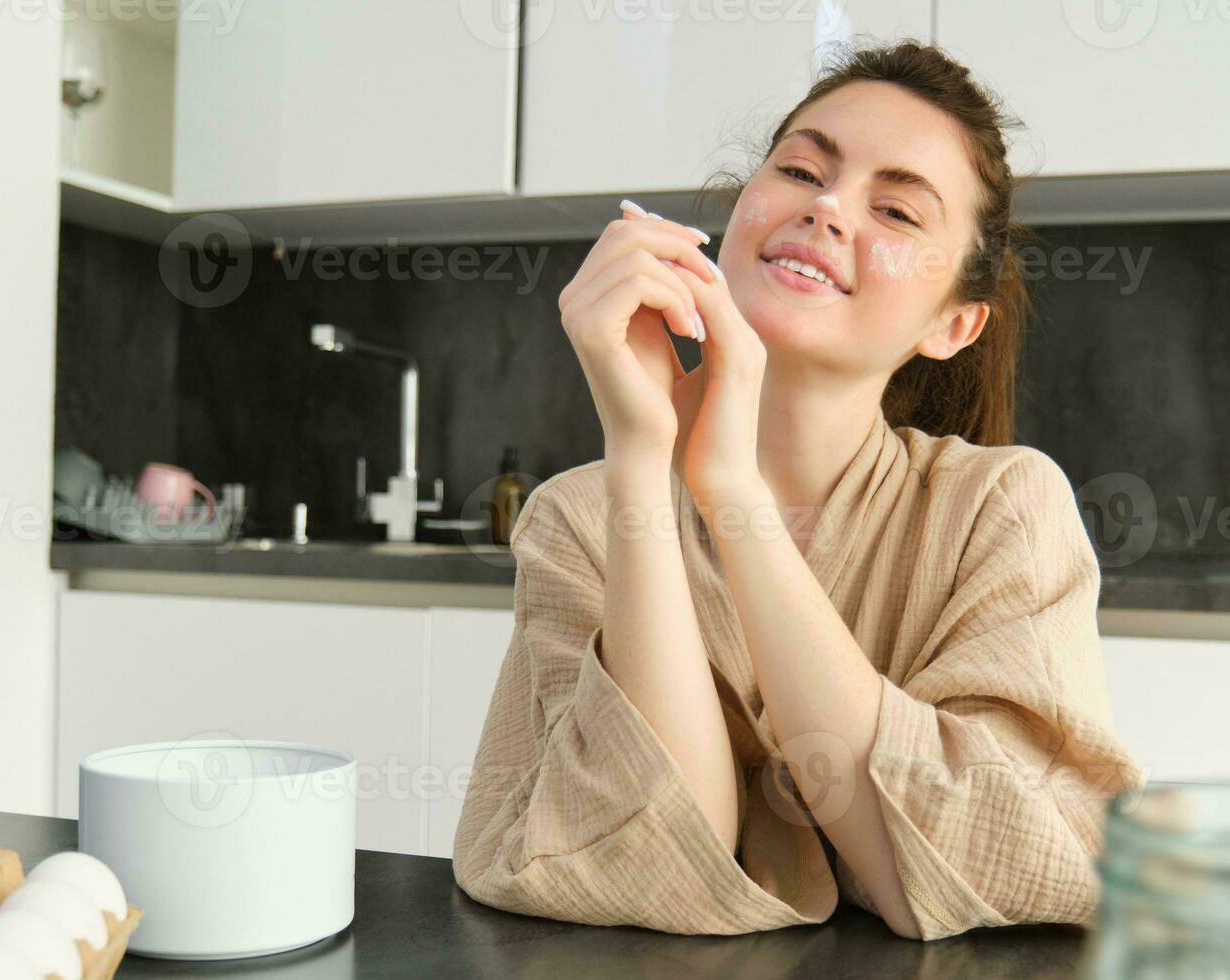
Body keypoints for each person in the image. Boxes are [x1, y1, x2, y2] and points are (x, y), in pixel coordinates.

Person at [452, 40, 1142, 941]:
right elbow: (652, 864)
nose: (825, 208)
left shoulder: (1002, 506)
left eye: (894, 209)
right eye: (801, 169)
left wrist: (727, 488)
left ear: (954, 324)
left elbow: (1006, 862)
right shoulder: (584, 517)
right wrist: (638, 454)